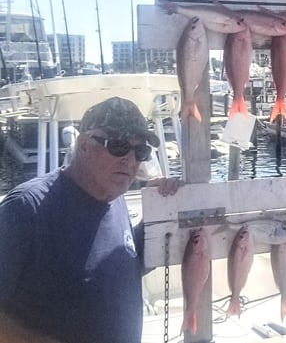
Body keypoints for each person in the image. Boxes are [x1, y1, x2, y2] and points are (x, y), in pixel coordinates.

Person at [0, 97, 183, 343]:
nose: (129, 159)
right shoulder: (26, 209)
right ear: (84, 146)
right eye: (118, 146)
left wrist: (158, 216)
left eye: (140, 151)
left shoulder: (113, 197)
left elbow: (120, 266)